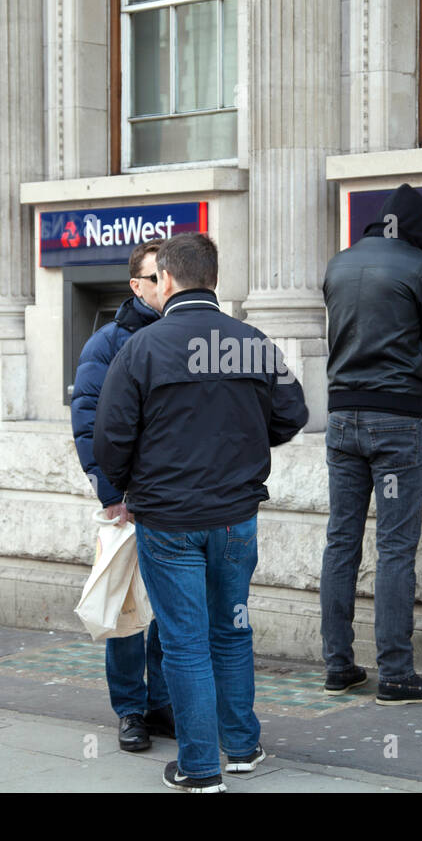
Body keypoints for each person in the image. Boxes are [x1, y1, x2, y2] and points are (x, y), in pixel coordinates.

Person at [94, 233, 308, 792]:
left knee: (185, 641)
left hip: (168, 521)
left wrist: (133, 483)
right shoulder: (252, 341)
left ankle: (198, 767)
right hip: (236, 516)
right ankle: (239, 747)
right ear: (213, 278)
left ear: (164, 280)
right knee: (231, 631)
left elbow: (110, 441)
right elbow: (293, 414)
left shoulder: (139, 349)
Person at [320, 183, 422, 705]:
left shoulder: (339, 264)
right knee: (394, 547)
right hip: (396, 422)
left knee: (341, 541)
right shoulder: (421, 267)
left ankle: (338, 666)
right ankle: (396, 674)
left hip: (341, 420)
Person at [69, 240, 174, 752]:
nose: (169, 283)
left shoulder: (186, 335)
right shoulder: (107, 343)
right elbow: (88, 422)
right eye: (159, 276)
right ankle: (131, 708)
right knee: (128, 608)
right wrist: (111, 493)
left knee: (170, 609)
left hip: (177, 497)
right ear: (138, 285)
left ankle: (163, 704)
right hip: (131, 498)